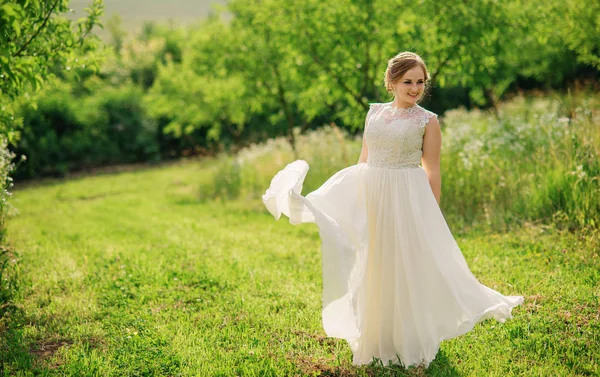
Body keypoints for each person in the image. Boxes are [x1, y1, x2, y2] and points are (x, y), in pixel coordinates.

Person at [262, 51, 524, 368]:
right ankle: (378, 337)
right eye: (407, 82)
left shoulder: (428, 121)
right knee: (375, 263)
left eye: (420, 82)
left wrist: (431, 212)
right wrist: (352, 200)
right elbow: (364, 159)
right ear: (392, 82)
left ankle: (410, 338)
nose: (415, 88)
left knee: (406, 264)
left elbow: (433, 170)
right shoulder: (374, 114)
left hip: (407, 198)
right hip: (374, 195)